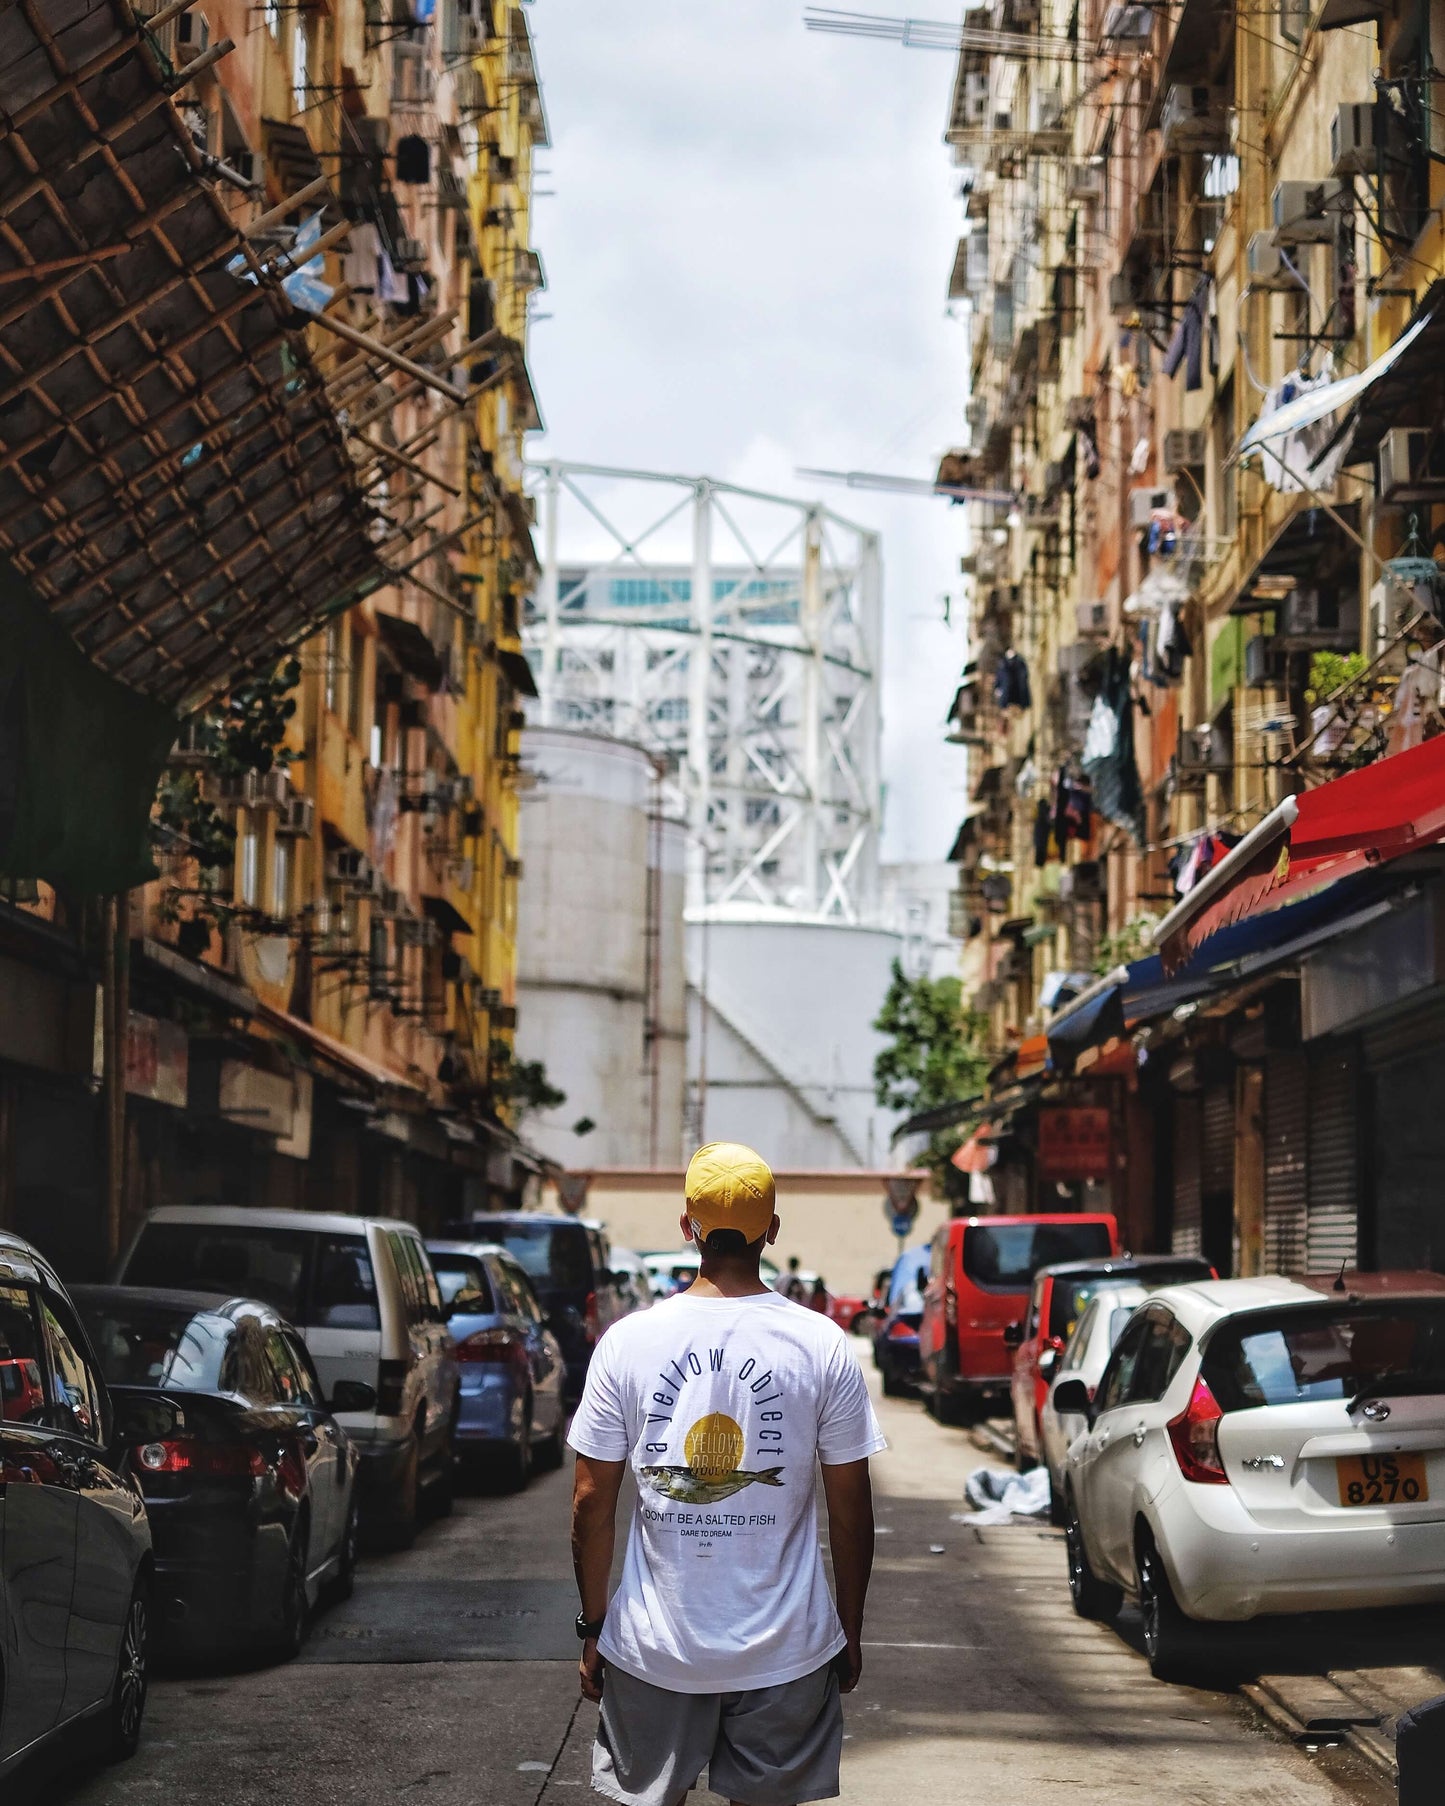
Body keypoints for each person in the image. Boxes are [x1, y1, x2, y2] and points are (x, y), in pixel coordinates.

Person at [569, 1141, 885, 1806]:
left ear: (687, 1226)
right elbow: (851, 1510)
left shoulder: (627, 1342)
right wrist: (848, 1630)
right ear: (772, 1230)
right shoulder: (819, 1343)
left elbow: (591, 1501)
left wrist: (596, 1627)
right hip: (787, 1652)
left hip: (654, 1650)